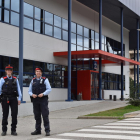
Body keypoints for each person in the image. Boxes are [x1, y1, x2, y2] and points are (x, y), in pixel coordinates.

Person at [28, 66, 51, 136]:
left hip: (43, 100)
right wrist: (32, 94)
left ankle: (47, 130)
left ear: (41, 73)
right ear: (35, 73)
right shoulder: (33, 80)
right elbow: (29, 91)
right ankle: (38, 130)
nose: (38, 73)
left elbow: (49, 89)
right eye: (37, 71)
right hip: (35, 100)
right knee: (37, 116)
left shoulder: (45, 80)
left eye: (39, 72)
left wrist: (43, 94)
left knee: (45, 115)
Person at [0, 64, 22, 136]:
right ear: (6, 71)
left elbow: (19, 89)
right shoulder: (2, 79)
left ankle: (13, 130)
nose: (9, 71)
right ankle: (4, 130)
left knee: (14, 114)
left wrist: (19, 98)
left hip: (13, 99)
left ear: (12, 71)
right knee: (5, 115)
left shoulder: (15, 79)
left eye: (10, 70)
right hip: (5, 98)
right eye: (7, 70)